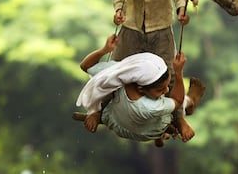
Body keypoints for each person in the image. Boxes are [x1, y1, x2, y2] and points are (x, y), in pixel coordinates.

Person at [112, 0, 194, 136]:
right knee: (115, 68)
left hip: (161, 32)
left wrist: (182, 9)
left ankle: (179, 119)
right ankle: (99, 108)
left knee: (171, 73)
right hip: (131, 29)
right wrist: (119, 10)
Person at [73, 34, 205, 145]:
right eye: (160, 90)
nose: (165, 91)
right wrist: (178, 72)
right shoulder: (151, 107)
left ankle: (98, 113)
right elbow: (177, 100)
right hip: (149, 131)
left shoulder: (121, 76)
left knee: (108, 85)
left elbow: (85, 66)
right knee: (173, 101)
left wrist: (104, 50)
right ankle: (189, 102)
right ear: (141, 88)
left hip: (117, 121)